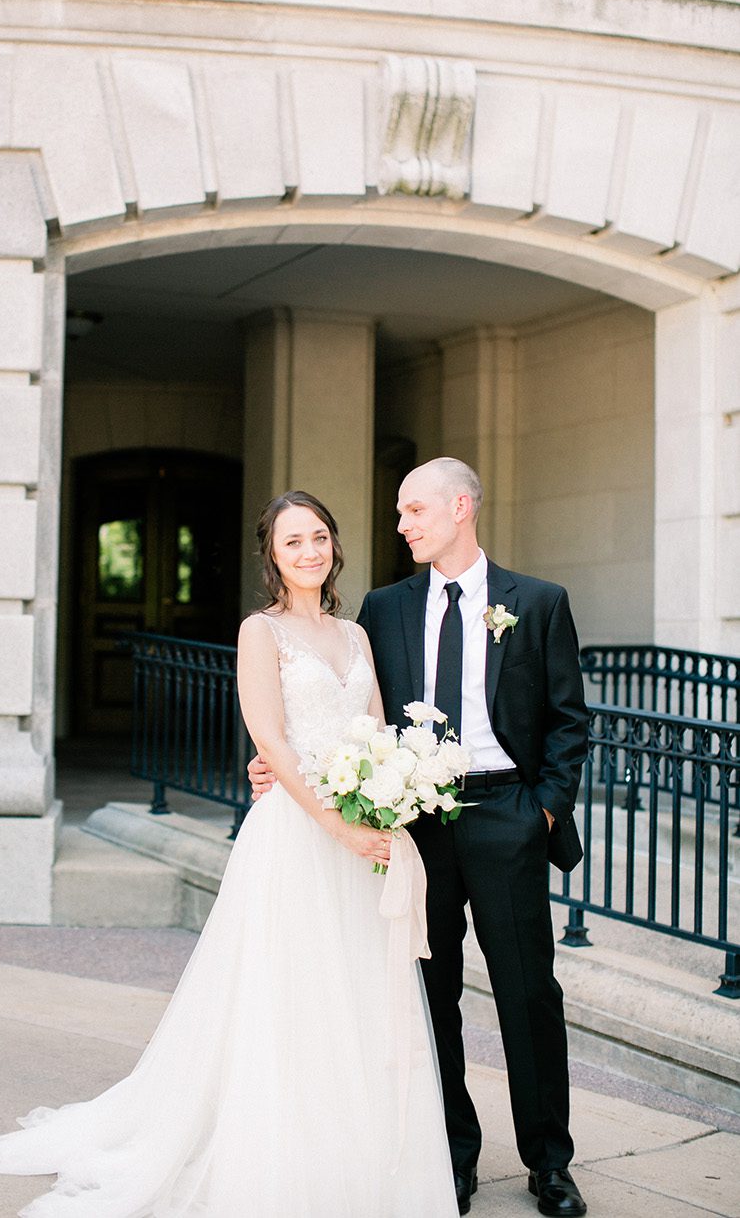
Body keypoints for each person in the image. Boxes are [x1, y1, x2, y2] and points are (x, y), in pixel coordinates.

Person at [0, 489, 459, 1218]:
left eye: (319, 536)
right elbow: (273, 743)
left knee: (354, 999)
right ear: (273, 558)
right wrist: (338, 826)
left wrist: (384, 803)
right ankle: (281, 1158)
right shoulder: (262, 632)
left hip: (358, 840)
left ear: (334, 544)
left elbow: (375, 731)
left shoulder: (356, 637)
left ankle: (356, 1155)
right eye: (293, 543)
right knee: (284, 1001)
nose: (310, 551)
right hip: (297, 836)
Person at [251, 460, 589, 1218]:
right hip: (412, 825)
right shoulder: (383, 607)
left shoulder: (536, 603)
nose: (401, 525)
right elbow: (350, 716)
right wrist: (278, 760)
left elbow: (570, 721)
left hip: (507, 816)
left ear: (459, 507)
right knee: (425, 996)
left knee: (527, 995)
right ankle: (451, 1158)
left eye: (412, 511)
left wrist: (541, 812)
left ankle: (550, 1164)